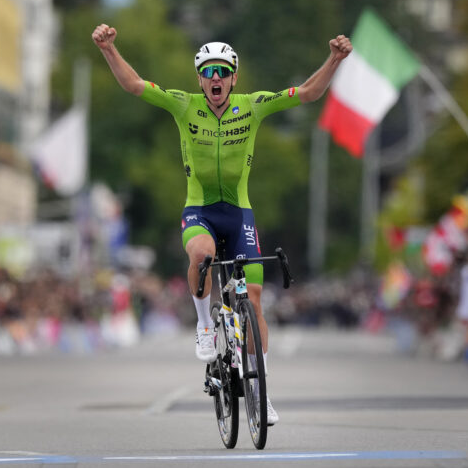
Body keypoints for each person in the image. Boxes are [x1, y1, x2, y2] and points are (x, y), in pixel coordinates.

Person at [91, 24, 352, 426]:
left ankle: (260, 392)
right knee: (203, 254)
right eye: (208, 72)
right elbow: (134, 85)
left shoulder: (253, 104)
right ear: (199, 79)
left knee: (257, 298)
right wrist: (109, 49)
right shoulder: (183, 104)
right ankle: (204, 327)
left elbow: (309, 93)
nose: (216, 79)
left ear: (234, 77)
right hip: (200, 209)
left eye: (223, 72)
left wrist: (334, 60)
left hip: (239, 213)